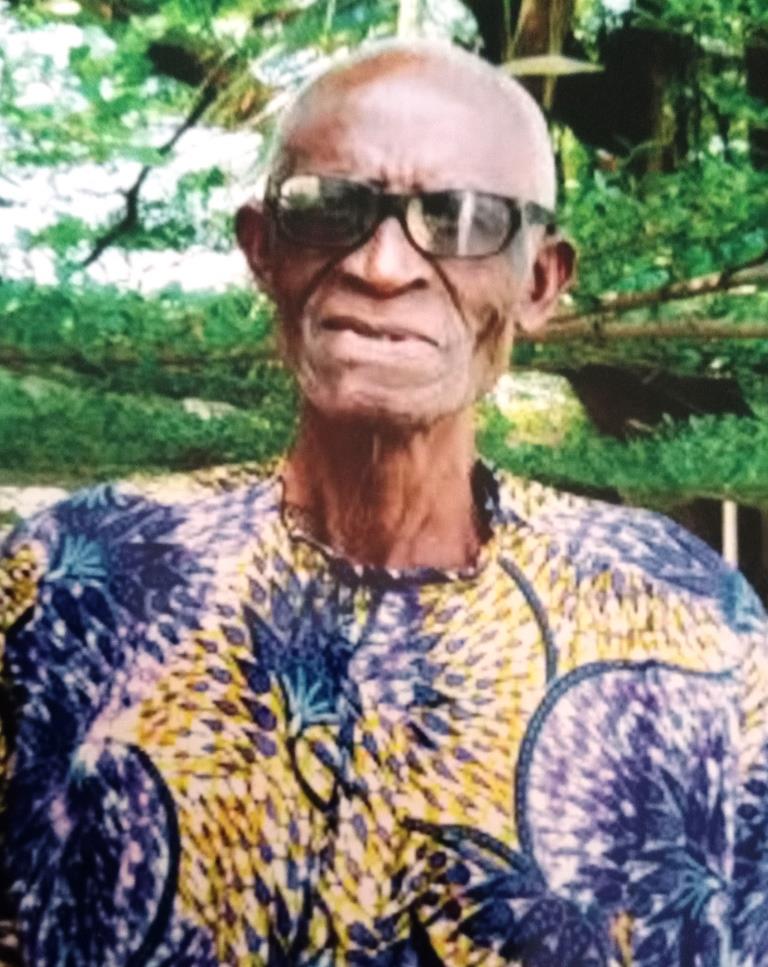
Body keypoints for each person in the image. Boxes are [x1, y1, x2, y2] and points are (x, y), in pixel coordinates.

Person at [1, 39, 767, 967]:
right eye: (329, 209)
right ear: (262, 249)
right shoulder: (74, 585)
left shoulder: (687, 621)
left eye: (461, 218)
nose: (382, 263)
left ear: (539, 281)